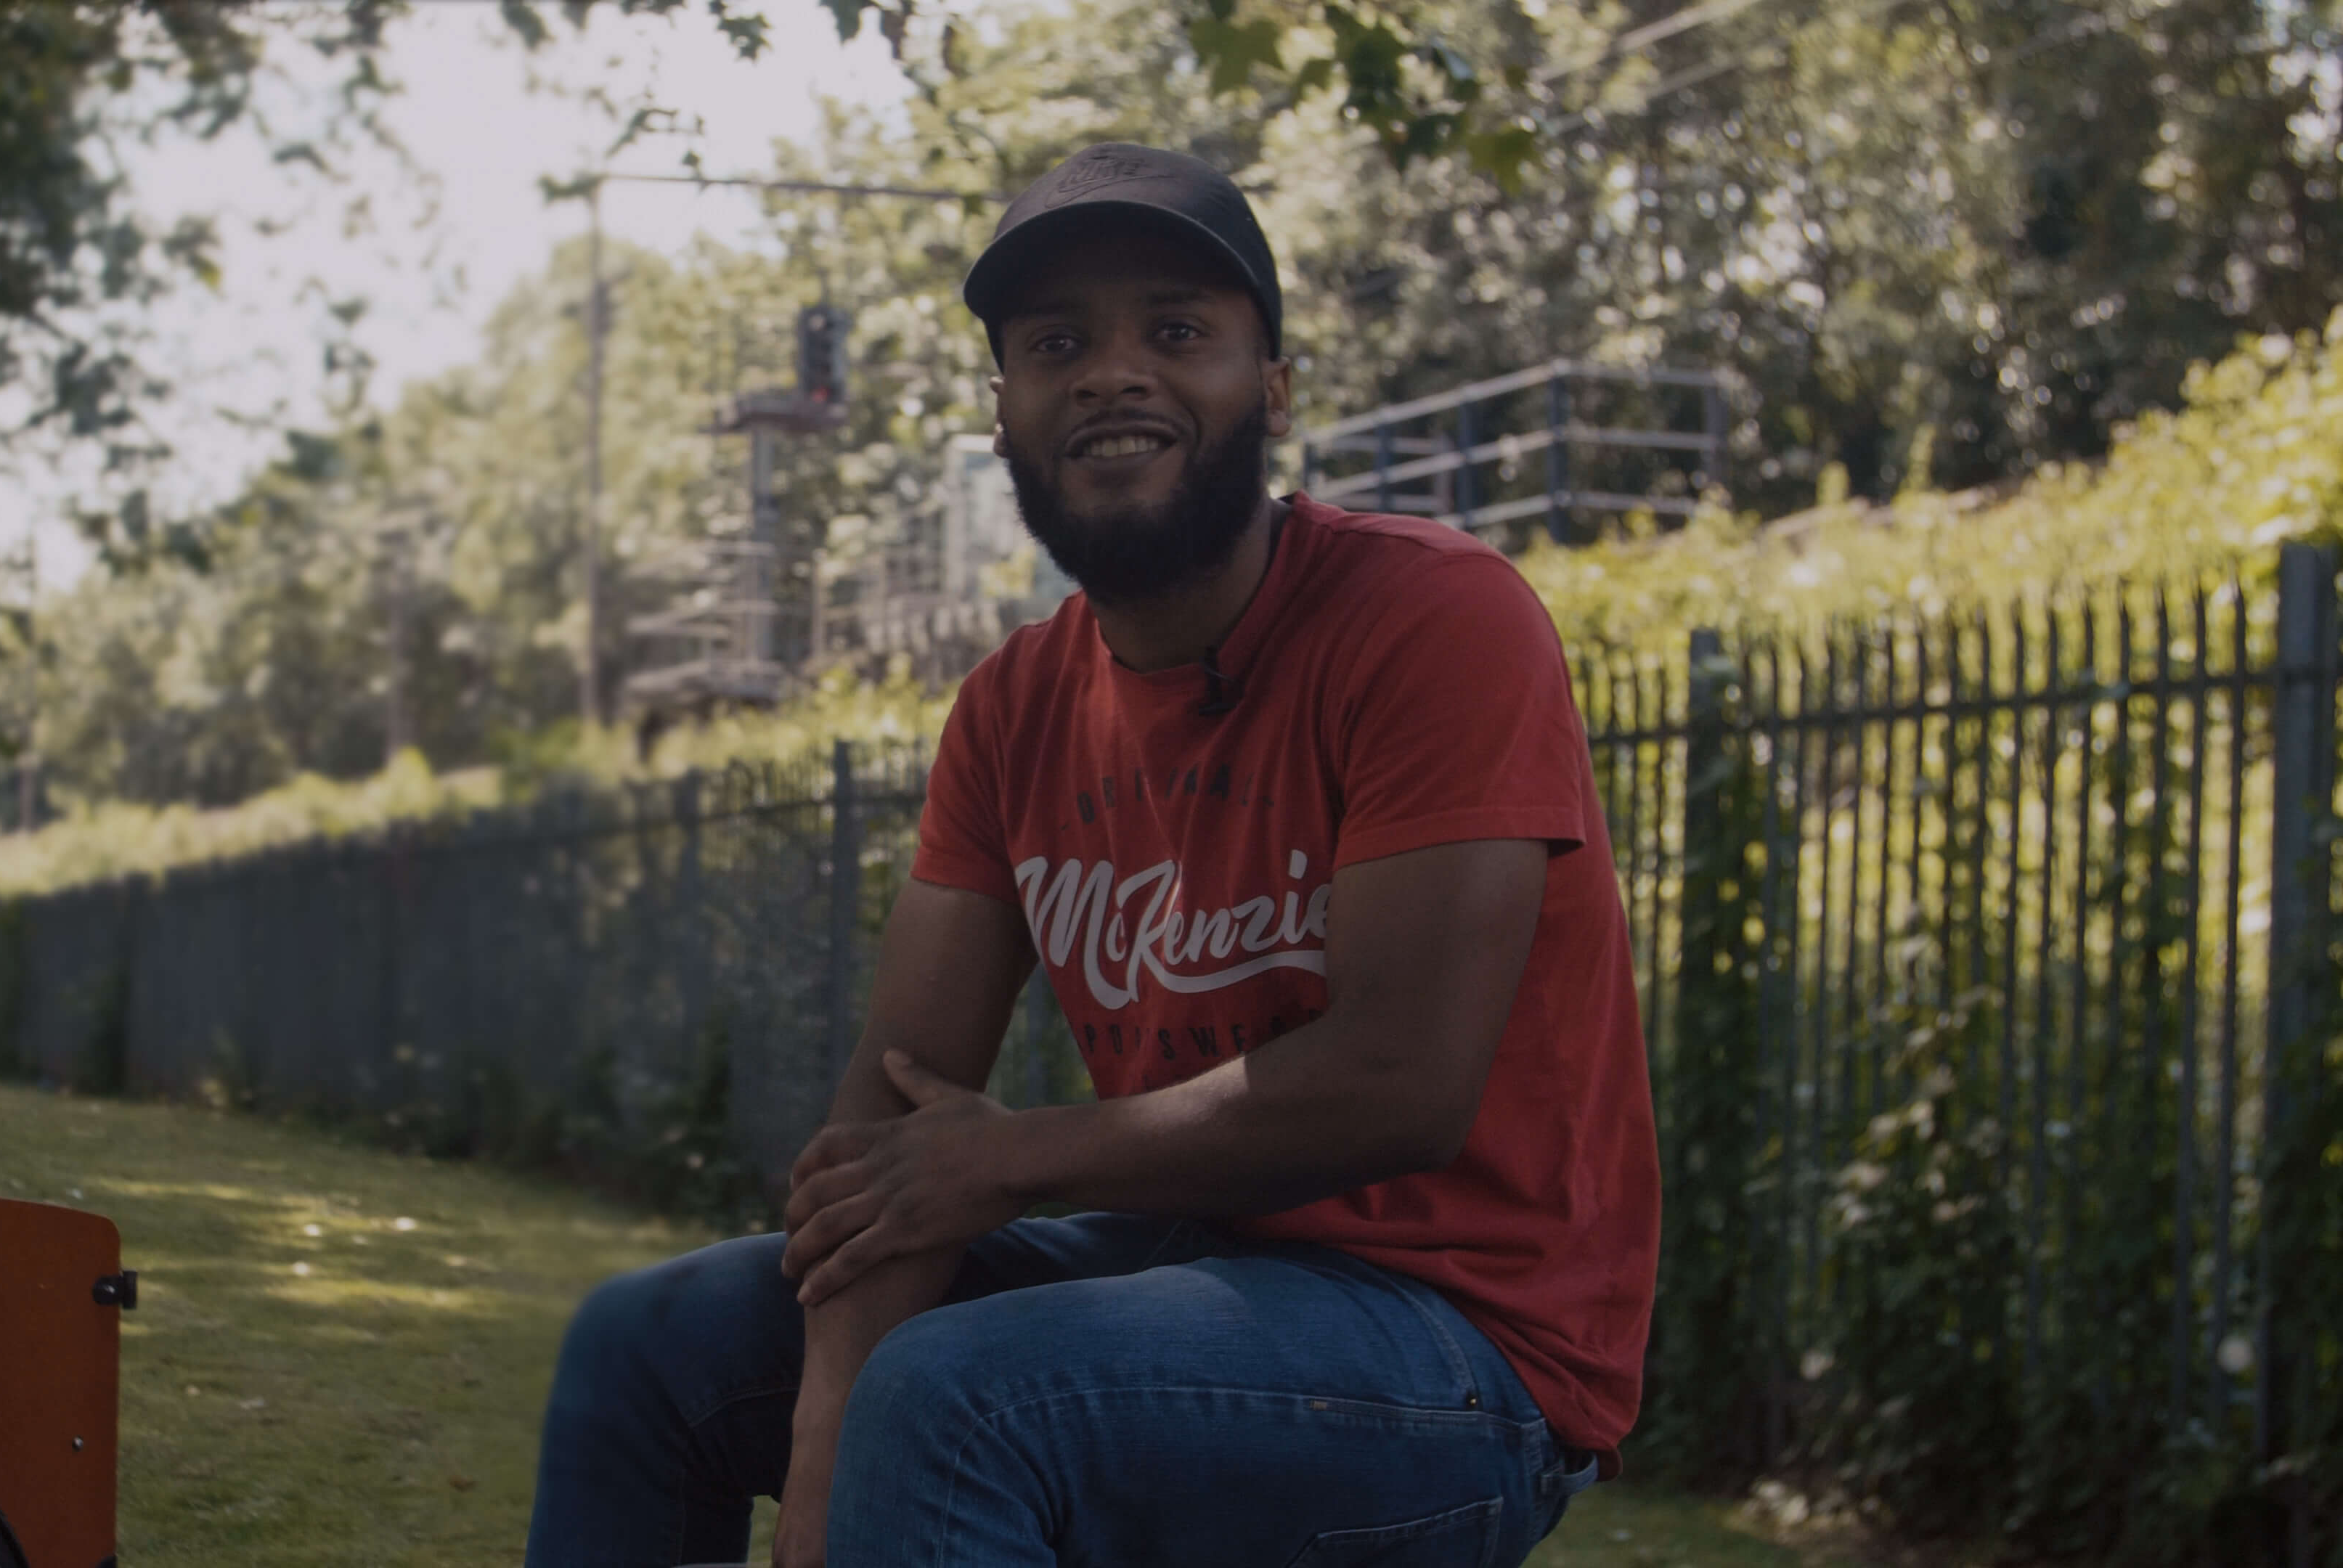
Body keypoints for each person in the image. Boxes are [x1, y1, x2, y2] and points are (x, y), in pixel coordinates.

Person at [525, 142, 1658, 1568]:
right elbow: (892, 1119)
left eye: (1177, 331)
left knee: (955, 1401)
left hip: (1463, 1344)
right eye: (1058, 343)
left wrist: (1012, 1162)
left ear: (1278, 387)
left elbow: (1399, 1086)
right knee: (654, 1349)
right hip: (1194, 1269)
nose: (1115, 374)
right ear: (1004, 412)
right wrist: (819, 1442)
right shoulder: (1014, 707)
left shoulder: (1436, 619)